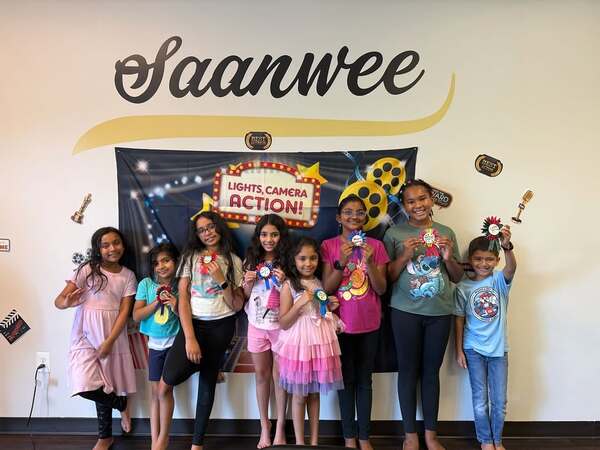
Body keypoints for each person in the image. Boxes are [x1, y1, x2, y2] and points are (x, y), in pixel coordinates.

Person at [383, 179, 463, 450]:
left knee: (431, 373)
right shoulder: (394, 233)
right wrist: (404, 255)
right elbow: (388, 278)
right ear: (404, 206)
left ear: (431, 200)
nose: (417, 205)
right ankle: (410, 435)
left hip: (440, 313)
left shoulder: (446, 232)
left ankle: (431, 435)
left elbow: (457, 277)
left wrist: (448, 257)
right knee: (407, 371)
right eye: (410, 201)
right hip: (404, 313)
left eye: (422, 198)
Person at [156, 211, 244, 450]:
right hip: (194, 325)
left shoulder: (234, 260)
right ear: (197, 234)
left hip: (222, 326)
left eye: (211, 227)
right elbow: (183, 298)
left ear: (220, 228)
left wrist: (221, 280)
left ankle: (197, 444)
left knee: (207, 383)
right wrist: (190, 338)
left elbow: (236, 305)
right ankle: (162, 438)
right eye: (202, 230)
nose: (208, 233)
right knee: (166, 382)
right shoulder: (190, 257)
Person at [54, 227, 137, 450]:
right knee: (84, 384)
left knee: (106, 380)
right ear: (98, 249)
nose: (112, 248)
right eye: (105, 245)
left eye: (116, 243)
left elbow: (124, 312)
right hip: (84, 332)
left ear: (123, 245)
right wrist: (67, 303)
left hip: (112, 332)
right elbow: (59, 301)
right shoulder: (87, 269)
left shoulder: (128, 275)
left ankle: (105, 437)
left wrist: (109, 342)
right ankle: (121, 403)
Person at [321, 195, 389, 450]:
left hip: (370, 324)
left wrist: (369, 262)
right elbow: (326, 288)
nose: (354, 216)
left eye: (359, 212)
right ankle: (349, 437)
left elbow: (381, 289)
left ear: (365, 217)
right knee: (346, 381)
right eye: (348, 212)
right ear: (338, 218)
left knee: (364, 381)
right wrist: (341, 262)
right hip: (340, 326)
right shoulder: (328, 245)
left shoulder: (376, 246)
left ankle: (364, 437)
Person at [273, 236, 344, 446]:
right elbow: (284, 322)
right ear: (293, 260)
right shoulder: (289, 285)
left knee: (314, 394)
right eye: (302, 258)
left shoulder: (319, 282)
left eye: (313, 258)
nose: (308, 263)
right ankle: (300, 443)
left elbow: (319, 310)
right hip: (299, 345)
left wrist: (328, 307)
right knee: (299, 396)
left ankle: (314, 442)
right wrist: (299, 303)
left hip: (318, 342)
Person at [455, 227, 516, 450]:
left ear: (497, 260)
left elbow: (511, 268)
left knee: (499, 400)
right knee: (480, 400)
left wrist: (507, 246)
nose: (483, 263)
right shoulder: (463, 287)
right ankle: (486, 441)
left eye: (489, 259)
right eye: (478, 259)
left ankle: (497, 440)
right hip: (473, 349)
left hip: (499, 350)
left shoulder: (499, 281)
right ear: (470, 260)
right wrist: (459, 350)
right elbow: (459, 319)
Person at [242, 214, 289, 448]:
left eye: (274, 234)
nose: (269, 239)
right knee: (261, 376)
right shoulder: (251, 259)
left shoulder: (288, 260)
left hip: (281, 328)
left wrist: (286, 280)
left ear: (282, 236)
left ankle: (280, 426)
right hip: (256, 326)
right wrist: (248, 282)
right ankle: (264, 426)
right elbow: (245, 295)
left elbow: (297, 292)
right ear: (258, 236)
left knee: (280, 378)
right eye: (264, 234)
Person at [132, 243, 180, 450]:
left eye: (166, 260)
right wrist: (157, 302)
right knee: (155, 393)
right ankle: (154, 440)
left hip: (175, 343)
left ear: (175, 261)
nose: (161, 266)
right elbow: (136, 315)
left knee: (165, 390)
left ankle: (163, 439)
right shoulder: (146, 284)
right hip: (155, 345)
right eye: (156, 263)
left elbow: (188, 317)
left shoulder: (181, 284)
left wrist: (175, 305)